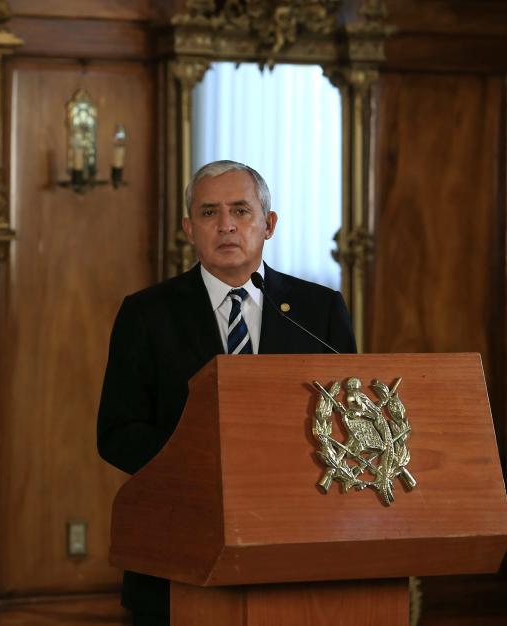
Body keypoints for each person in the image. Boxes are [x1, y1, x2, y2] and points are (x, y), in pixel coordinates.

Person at [96, 160, 357, 625]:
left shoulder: (319, 310)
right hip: (181, 543)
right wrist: (204, 468)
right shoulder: (146, 314)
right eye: (209, 213)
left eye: (241, 210)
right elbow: (116, 432)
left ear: (269, 224)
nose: (227, 225)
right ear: (188, 228)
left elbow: (348, 420)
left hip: (296, 542)